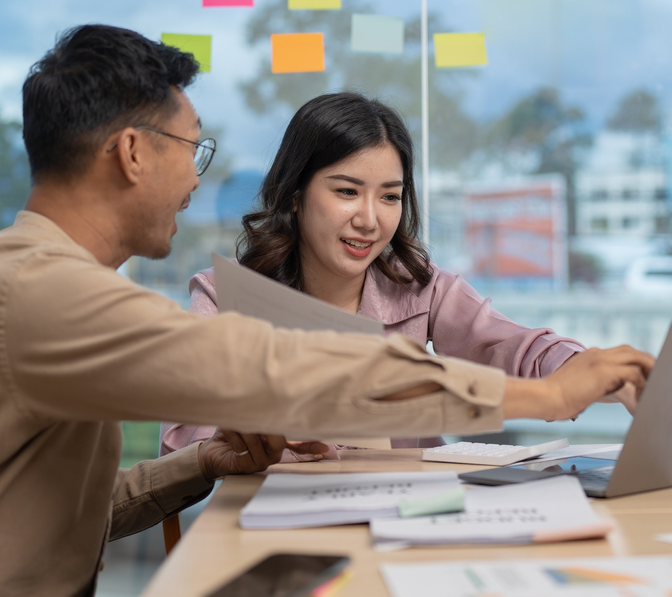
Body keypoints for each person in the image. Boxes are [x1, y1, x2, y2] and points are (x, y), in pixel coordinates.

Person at [0, 24, 654, 597]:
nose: (197, 177)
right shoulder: (32, 292)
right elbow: (255, 363)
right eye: (192, 150)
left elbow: (57, 518)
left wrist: (200, 464)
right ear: (131, 154)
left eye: (389, 196)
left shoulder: (39, 284)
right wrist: (543, 396)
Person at [160, 92, 633, 459]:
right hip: (281, 532)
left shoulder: (421, 288)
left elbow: (512, 347)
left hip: (413, 519)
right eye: (347, 191)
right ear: (294, 193)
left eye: (390, 196)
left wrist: (588, 371)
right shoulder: (226, 295)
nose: (370, 219)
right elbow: (186, 431)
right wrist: (252, 438)